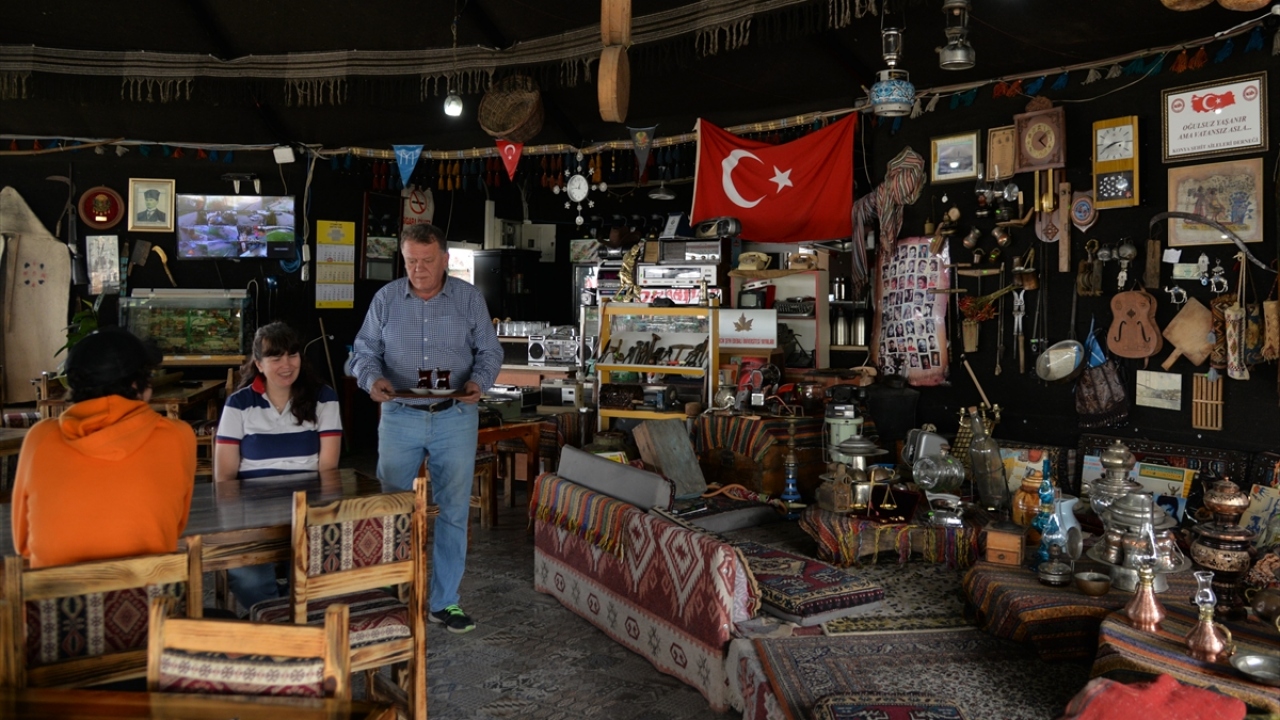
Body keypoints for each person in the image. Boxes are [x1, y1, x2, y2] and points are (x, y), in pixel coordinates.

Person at [349, 222, 502, 634]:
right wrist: (371, 380)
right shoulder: (385, 300)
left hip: (455, 415)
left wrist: (479, 383)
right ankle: (386, 596)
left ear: (446, 260)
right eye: (411, 261)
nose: (417, 269)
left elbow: (490, 351)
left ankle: (444, 602)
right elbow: (362, 352)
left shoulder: (469, 300)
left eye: (427, 261)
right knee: (388, 509)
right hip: (400, 416)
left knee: (453, 512)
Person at [11, 327, 196, 568]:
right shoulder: (178, 436)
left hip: (54, 602)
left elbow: (22, 543)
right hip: (149, 602)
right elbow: (174, 527)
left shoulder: (39, 438)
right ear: (135, 385)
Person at [214, 322, 342, 611]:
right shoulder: (239, 404)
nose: (286, 365)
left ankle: (283, 622)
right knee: (249, 581)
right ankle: (282, 622)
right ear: (258, 364)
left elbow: (329, 468)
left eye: (292, 355)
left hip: (306, 511)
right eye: (275, 358)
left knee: (321, 574)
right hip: (252, 515)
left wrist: (320, 516)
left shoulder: (324, 397)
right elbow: (224, 476)